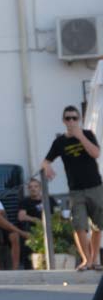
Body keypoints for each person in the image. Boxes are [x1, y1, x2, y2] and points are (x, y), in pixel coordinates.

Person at [41, 105, 103, 271]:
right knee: (79, 225)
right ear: (63, 121)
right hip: (75, 190)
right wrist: (47, 167)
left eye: (74, 118)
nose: (71, 121)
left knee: (98, 226)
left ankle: (95, 259)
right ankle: (87, 260)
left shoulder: (88, 134)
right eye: (68, 118)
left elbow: (96, 153)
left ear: (79, 120)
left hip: (95, 186)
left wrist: (81, 137)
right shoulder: (60, 142)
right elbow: (46, 160)